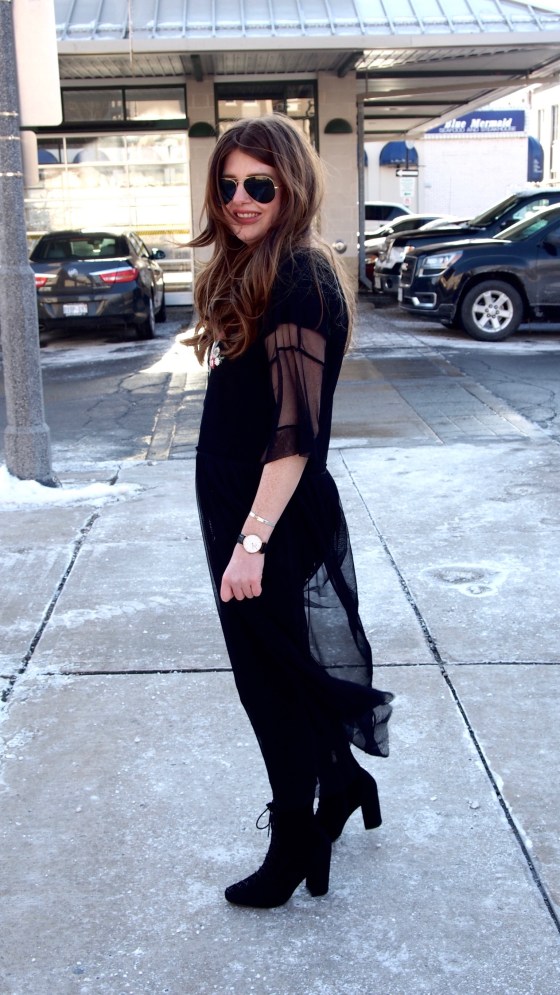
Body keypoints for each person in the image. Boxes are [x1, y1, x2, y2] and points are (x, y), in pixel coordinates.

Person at [185, 114, 393, 909]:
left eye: (259, 185)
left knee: (268, 685)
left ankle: (294, 840)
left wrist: (252, 541)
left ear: (292, 186)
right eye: (228, 184)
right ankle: (341, 783)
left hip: (266, 518)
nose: (240, 198)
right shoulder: (257, 268)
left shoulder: (302, 278)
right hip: (244, 512)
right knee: (284, 667)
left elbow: (296, 432)